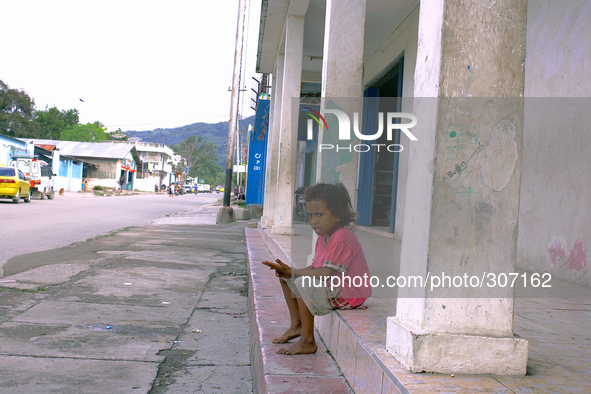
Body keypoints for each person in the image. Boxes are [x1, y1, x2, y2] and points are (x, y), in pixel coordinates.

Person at [262, 182, 371, 355]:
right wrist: (289, 271)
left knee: (302, 282)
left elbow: (325, 273)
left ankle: (308, 341)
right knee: (287, 277)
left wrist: (295, 273)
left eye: (319, 215)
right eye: (310, 215)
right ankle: (297, 326)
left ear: (338, 215)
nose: (313, 221)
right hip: (336, 286)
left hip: (351, 293)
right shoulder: (324, 236)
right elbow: (316, 267)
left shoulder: (342, 237)